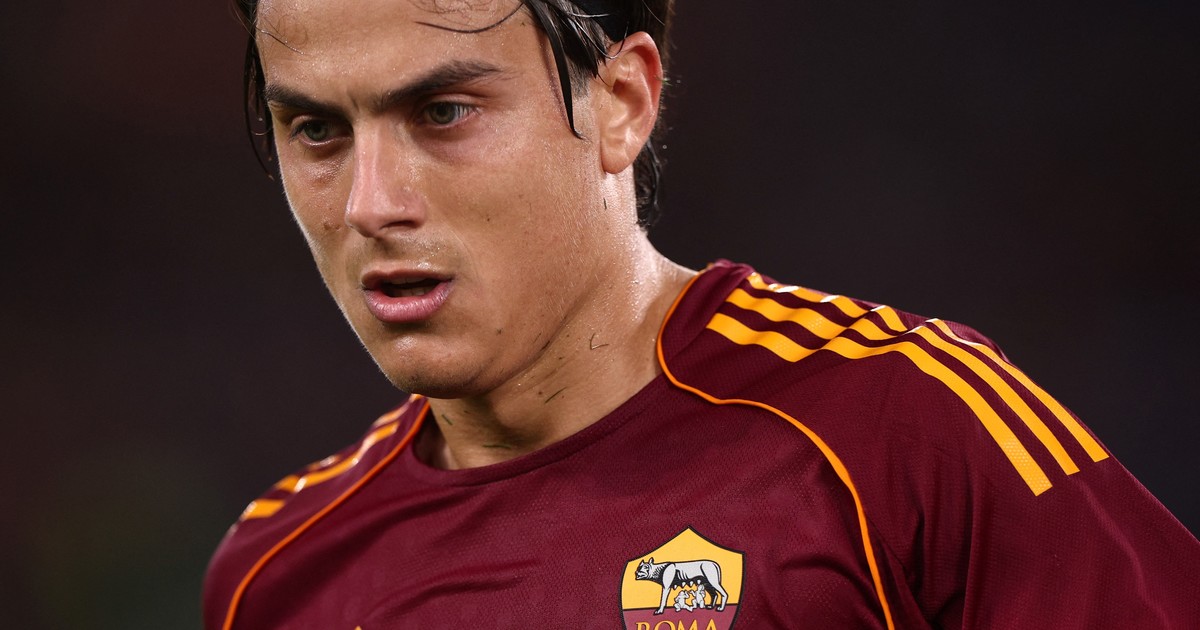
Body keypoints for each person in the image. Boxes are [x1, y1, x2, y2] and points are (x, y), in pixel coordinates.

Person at [203, 1, 1200, 628]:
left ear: (622, 101)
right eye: (316, 129)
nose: (370, 202)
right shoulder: (279, 573)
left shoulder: (907, 429)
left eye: (444, 113)